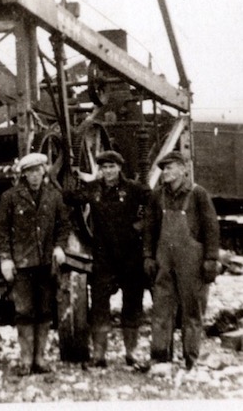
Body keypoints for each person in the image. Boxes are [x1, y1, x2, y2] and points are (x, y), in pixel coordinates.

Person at [65, 149, 149, 368]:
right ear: (99, 170)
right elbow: (70, 198)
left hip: (131, 257)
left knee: (132, 305)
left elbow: (154, 206)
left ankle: (131, 353)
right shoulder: (93, 190)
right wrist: (64, 178)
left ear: (119, 168)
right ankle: (99, 356)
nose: (108, 171)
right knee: (99, 306)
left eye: (112, 167)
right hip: (104, 259)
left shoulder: (133, 189)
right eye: (104, 167)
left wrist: (139, 226)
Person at [143, 150, 220, 370]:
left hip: (191, 262)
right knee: (161, 309)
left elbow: (211, 228)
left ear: (183, 170)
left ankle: (191, 359)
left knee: (192, 311)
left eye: (169, 168)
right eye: (163, 169)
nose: (165, 172)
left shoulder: (198, 194)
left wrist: (210, 259)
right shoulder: (158, 195)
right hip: (164, 261)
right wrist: (148, 255)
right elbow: (150, 228)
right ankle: (160, 357)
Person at [0, 152, 70, 375]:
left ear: (43, 172)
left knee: (45, 311)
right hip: (23, 264)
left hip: (46, 263)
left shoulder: (54, 196)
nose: (34, 176)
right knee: (24, 311)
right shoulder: (10, 197)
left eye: (37, 171)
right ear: (24, 175)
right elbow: (1, 231)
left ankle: (40, 358)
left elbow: (63, 226)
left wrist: (59, 246)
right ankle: (26, 360)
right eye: (29, 172)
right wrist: (6, 259)